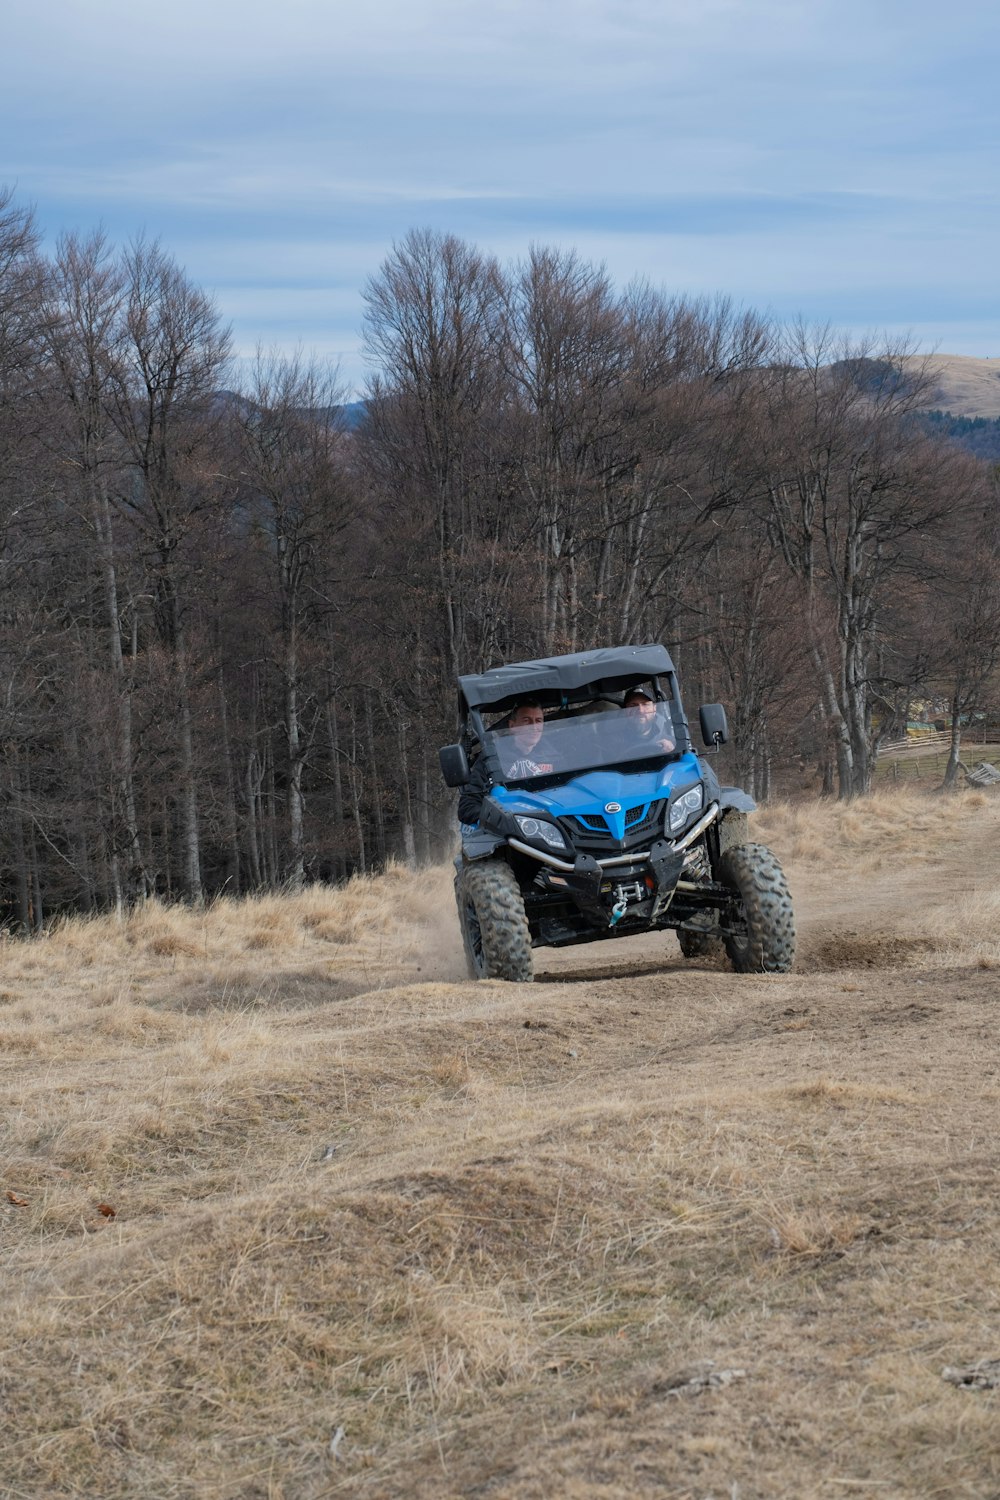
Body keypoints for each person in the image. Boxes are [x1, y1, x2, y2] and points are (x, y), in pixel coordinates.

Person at [457, 702, 553, 825]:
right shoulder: (491, 759)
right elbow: (467, 806)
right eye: (526, 720)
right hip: (510, 833)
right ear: (512, 726)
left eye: (538, 721)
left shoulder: (555, 757)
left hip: (555, 824)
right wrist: (497, 818)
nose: (534, 727)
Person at [623, 688, 675, 754]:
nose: (640, 710)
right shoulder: (614, 742)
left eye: (645, 704)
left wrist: (673, 753)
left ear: (654, 709)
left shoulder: (671, 742)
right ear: (625, 711)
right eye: (633, 705)